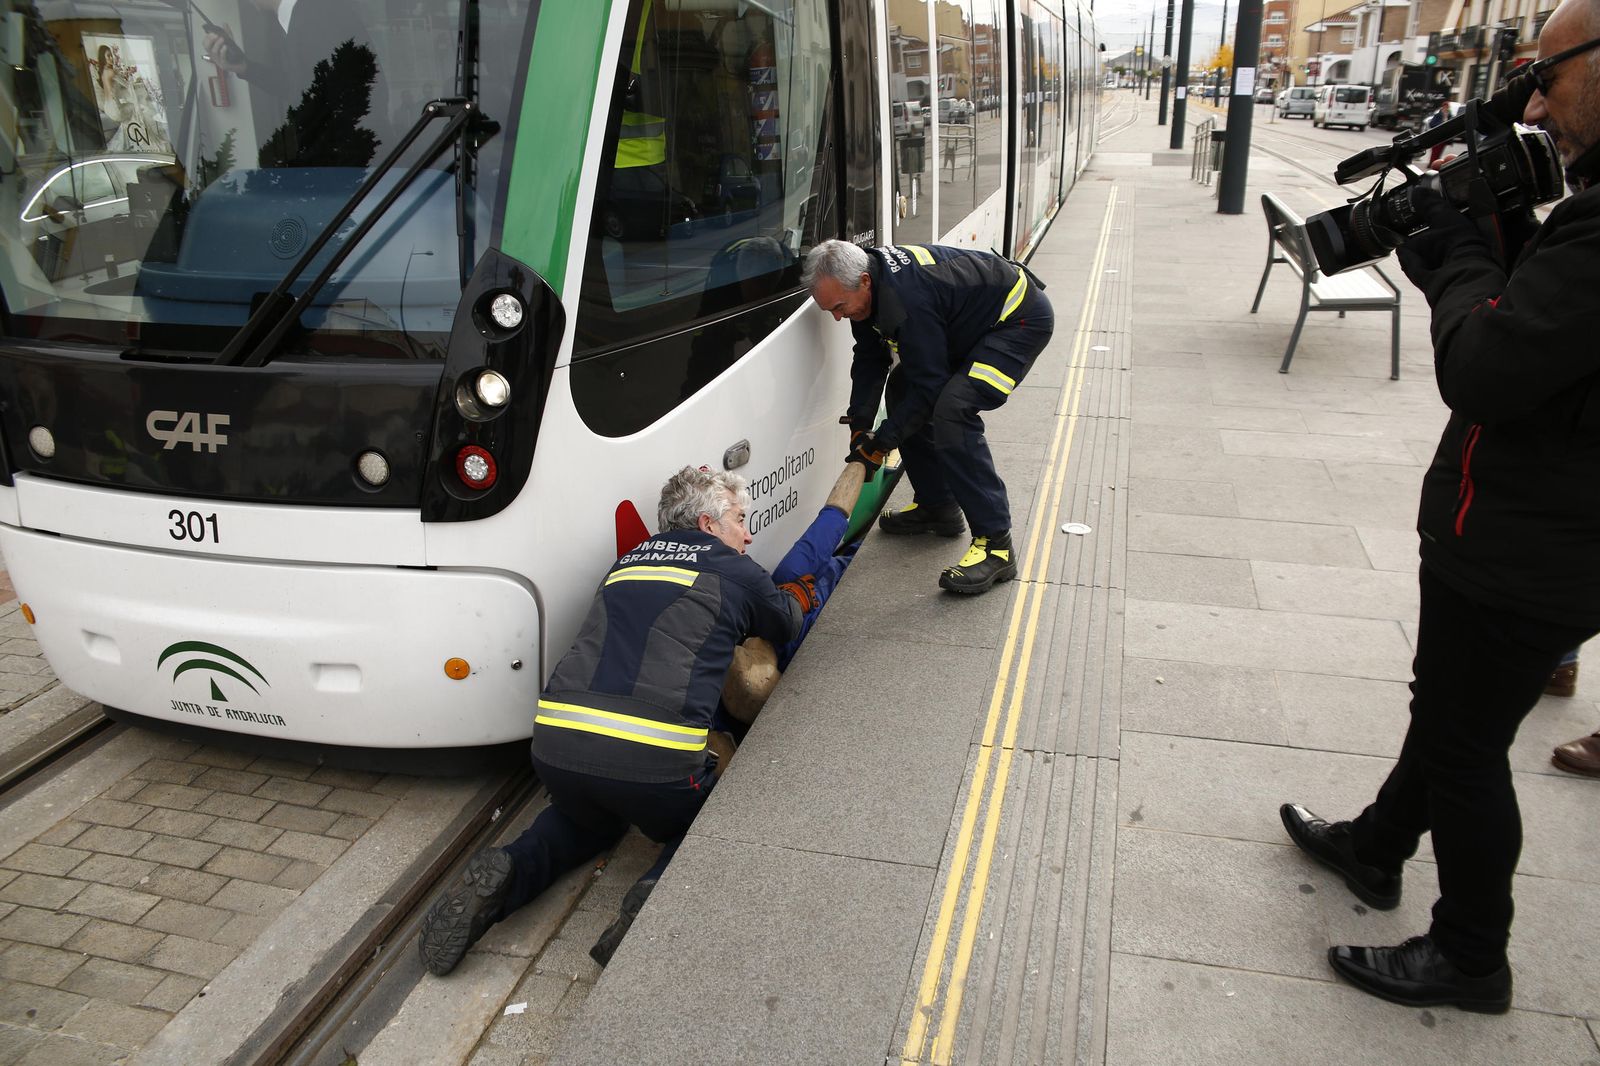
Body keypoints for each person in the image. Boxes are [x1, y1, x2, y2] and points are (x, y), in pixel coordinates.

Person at [1281, 0, 1600, 1014]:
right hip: (1532, 527)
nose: (1535, 97)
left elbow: (1490, 368)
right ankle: (1377, 847)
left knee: (1465, 747)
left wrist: (1458, 252)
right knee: (1452, 711)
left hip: (1523, 543)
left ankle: (1471, 954)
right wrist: (1499, 245)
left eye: (1546, 73)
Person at [418, 462, 862, 974]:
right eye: (741, 519)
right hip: (660, 766)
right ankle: (650, 896)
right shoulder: (733, 569)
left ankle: (512, 868)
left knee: (583, 819)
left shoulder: (627, 562)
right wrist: (797, 595)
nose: (749, 532)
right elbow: (785, 621)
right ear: (708, 526)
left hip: (557, 747)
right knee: (710, 816)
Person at [803, 239, 1054, 595]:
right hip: (970, 326)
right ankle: (938, 507)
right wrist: (861, 426)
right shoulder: (867, 290)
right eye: (830, 311)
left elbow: (932, 387)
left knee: (954, 411)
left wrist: (882, 443)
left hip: (1017, 321)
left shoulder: (908, 298)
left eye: (840, 307)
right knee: (903, 388)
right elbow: (871, 358)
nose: (838, 317)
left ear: (864, 281)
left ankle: (997, 545)